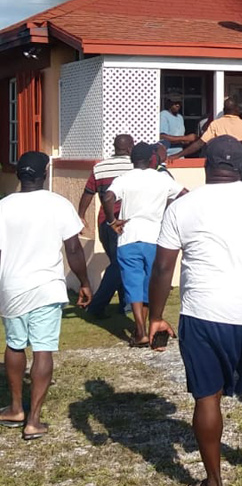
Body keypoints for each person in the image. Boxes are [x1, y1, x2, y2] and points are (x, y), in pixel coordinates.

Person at [149, 135, 242, 486]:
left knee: (207, 396)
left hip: (202, 313)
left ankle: (214, 484)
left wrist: (156, 316)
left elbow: (164, 267)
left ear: (207, 164)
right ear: (241, 164)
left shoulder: (182, 206)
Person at [0, 152, 92, 440]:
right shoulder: (58, 204)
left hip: (12, 286)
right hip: (47, 286)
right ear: (44, 173)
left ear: (18, 174)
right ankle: (34, 420)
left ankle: (16, 408)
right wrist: (84, 282)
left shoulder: (3, 206)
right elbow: (74, 249)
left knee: (15, 345)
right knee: (42, 348)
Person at [102, 142, 186, 347]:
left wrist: (112, 221)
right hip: (156, 237)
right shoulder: (161, 178)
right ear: (152, 159)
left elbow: (108, 197)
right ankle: (152, 325)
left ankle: (139, 331)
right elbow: (185, 194)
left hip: (128, 236)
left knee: (133, 285)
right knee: (152, 284)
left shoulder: (123, 179)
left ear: (132, 159)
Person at [77, 133, 134, 319]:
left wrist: (81, 215)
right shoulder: (135, 167)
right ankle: (97, 305)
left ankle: (125, 303)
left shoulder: (99, 167)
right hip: (124, 222)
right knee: (119, 264)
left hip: (104, 222)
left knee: (117, 263)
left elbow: (88, 192)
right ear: (130, 148)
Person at [170, 97, 242, 159]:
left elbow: (200, 143)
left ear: (224, 110)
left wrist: (177, 155)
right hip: (240, 163)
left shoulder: (216, 124)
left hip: (220, 163)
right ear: (237, 110)